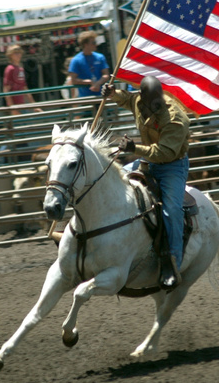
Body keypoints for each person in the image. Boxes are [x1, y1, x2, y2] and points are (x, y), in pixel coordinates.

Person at [102, 76, 190, 289]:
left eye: (153, 104)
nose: (147, 108)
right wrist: (114, 94)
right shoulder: (140, 101)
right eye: (146, 102)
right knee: (113, 181)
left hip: (171, 166)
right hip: (147, 160)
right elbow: (128, 100)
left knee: (172, 210)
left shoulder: (176, 118)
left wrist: (134, 149)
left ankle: (172, 263)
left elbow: (164, 153)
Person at [3, 45, 42, 115]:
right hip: (15, 106)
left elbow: (25, 88)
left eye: (19, 53)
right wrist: (12, 108)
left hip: (22, 104)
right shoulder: (10, 69)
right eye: (15, 53)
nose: (18, 55)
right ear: (10, 55)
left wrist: (34, 105)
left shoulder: (20, 69)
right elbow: (6, 89)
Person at [68, 31, 110, 98]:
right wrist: (89, 82)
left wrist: (97, 83)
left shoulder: (100, 57)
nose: (96, 44)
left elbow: (106, 75)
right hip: (86, 98)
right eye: (93, 43)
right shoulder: (76, 60)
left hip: (101, 96)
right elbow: (73, 80)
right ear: (85, 44)